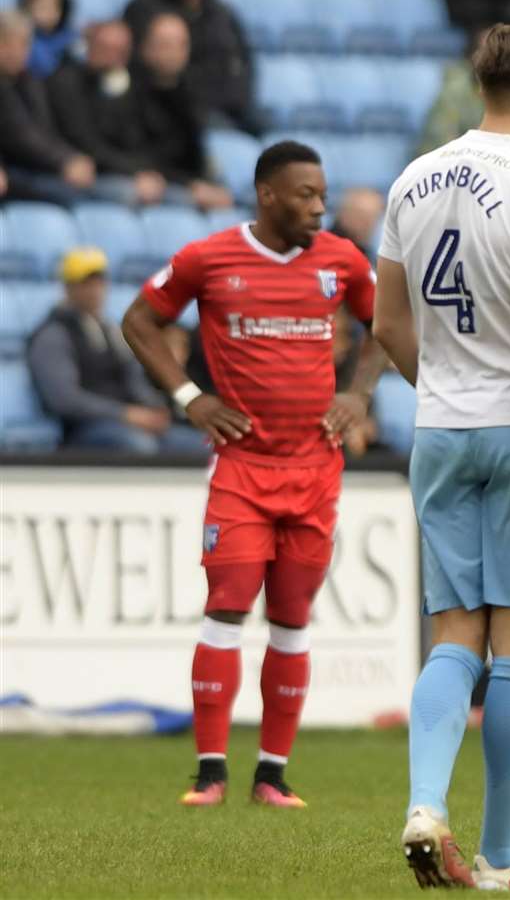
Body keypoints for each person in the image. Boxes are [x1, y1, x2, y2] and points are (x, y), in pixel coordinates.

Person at [371, 22, 510, 891]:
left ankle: (427, 804)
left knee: (452, 638)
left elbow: (387, 324)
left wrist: (446, 392)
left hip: (438, 428)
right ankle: (501, 859)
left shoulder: (411, 179)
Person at [120, 140, 385, 808]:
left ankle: (272, 774)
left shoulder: (341, 260)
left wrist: (358, 394)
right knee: (227, 608)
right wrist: (189, 398)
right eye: (306, 195)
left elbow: (385, 323)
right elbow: (138, 320)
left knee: (293, 618)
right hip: (242, 467)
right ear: (267, 194)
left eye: (323, 194)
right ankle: (209, 773)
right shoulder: (208, 259)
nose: (319, 207)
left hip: (315, 467)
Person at [28, 248, 193, 454]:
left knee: (200, 444)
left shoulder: (110, 330)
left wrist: (155, 408)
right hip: (83, 428)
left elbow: (133, 380)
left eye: (100, 281)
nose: (95, 289)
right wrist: (126, 414)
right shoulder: (53, 335)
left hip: (128, 422)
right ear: (68, 287)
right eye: (86, 283)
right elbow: (65, 399)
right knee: (139, 446)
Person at [124, 0, 256, 132]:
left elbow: (244, 60)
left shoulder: (220, 10)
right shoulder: (143, 9)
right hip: (167, 113)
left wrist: (237, 101)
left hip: (227, 111)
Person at [47, 20, 171, 205]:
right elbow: (85, 142)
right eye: (106, 48)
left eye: (121, 51)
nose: (113, 57)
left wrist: (147, 172)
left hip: (121, 171)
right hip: (82, 173)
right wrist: (134, 171)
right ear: (90, 45)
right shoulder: (65, 83)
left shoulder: (127, 87)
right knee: (130, 194)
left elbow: (140, 140)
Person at [0, 10, 100, 207]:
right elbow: (18, 133)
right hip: (14, 170)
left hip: (36, 168)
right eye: (7, 43)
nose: (17, 52)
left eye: (23, 44)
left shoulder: (29, 82)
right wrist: (64, 161)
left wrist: (72, 158)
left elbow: (45, 130)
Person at [131, 12, 231, 209]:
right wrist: (190, 185)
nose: (173, 53)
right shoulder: (128, 93)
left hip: (184, 181)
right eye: (165, 44)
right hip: (150, 181)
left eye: (181, 45)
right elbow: (136, 153)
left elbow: (195, 153)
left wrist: (210, 185)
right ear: (145, 48)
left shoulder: (191, 94)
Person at [19, 0, 76, 80]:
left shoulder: (72, 40)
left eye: (55, 6)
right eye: (42, 7)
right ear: (27, 8)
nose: (49, 12)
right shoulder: (22, 40)